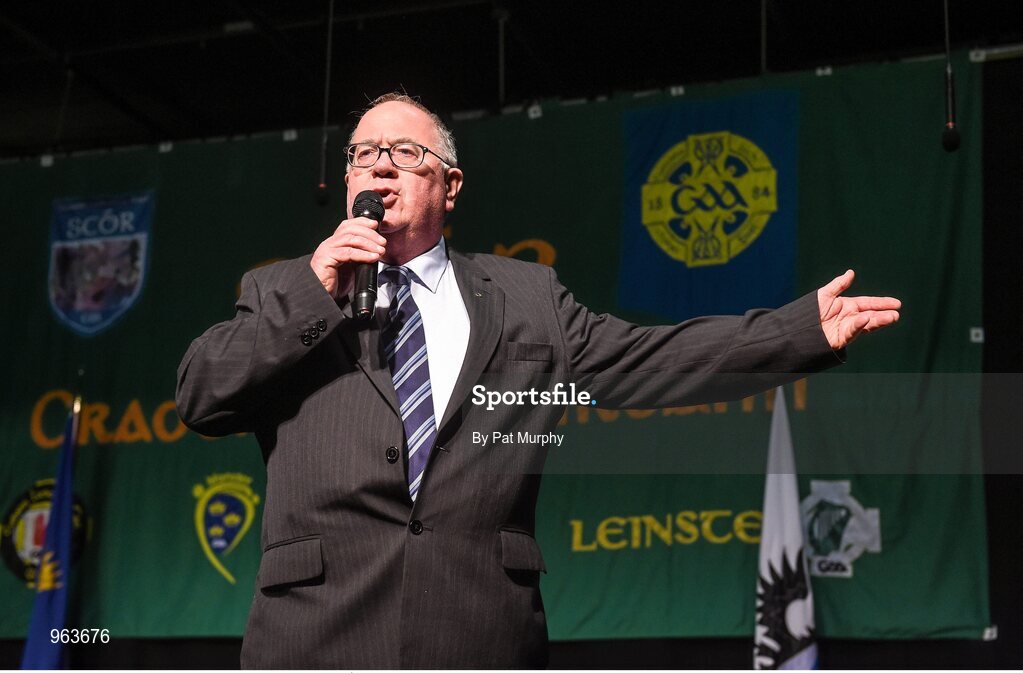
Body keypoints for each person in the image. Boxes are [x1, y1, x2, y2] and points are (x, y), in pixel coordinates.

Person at [176, 93, 900, 669]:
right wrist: (315, 290)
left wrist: (798, 332)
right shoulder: (284, 291)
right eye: (363, 155)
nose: (379, 168)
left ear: (449, 184)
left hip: (477, 636)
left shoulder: (525, 297)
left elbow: (648, 360)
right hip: (314, 642)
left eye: (403, 152)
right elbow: (202, 396)